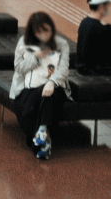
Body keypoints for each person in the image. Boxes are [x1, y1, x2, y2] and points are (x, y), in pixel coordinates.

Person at [12, 10, 72, 160]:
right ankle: (43, 136)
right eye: (39, 32)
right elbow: (19, 68)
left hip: (55, 87)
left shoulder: (61, 44)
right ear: (33, 33)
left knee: (50, 94)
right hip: (29, 87)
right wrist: (35, 58)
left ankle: (41, 133)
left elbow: (63, 69)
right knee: (40, 98)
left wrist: (52, 82)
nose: (44, 36)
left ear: (52, 28)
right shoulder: (24, 43)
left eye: (47, 31)